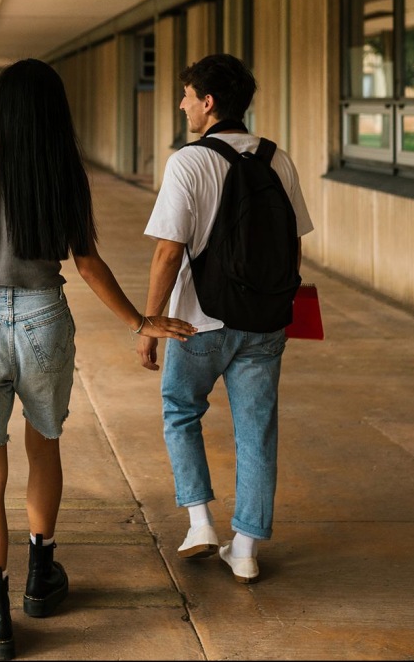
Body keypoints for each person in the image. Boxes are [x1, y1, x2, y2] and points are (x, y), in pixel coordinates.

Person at [0, 58, 196, 660]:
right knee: (44, 444)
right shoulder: (65, 172)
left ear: (3, 109)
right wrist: (138, 321)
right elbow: (87, 263)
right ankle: (41, 579)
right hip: (45, 319)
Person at [136, 53, 313, 585]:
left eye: (187, 95)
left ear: (208, 102)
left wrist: (150, 321)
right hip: (264, 322)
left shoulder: (188, 162)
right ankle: (247, 549)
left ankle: (199, 523)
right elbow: (293, 247)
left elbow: (168, 252)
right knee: (256, 432)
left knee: (181, 411)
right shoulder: (278, 159)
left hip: (198, 322)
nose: (182, 104)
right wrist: (277, 304)